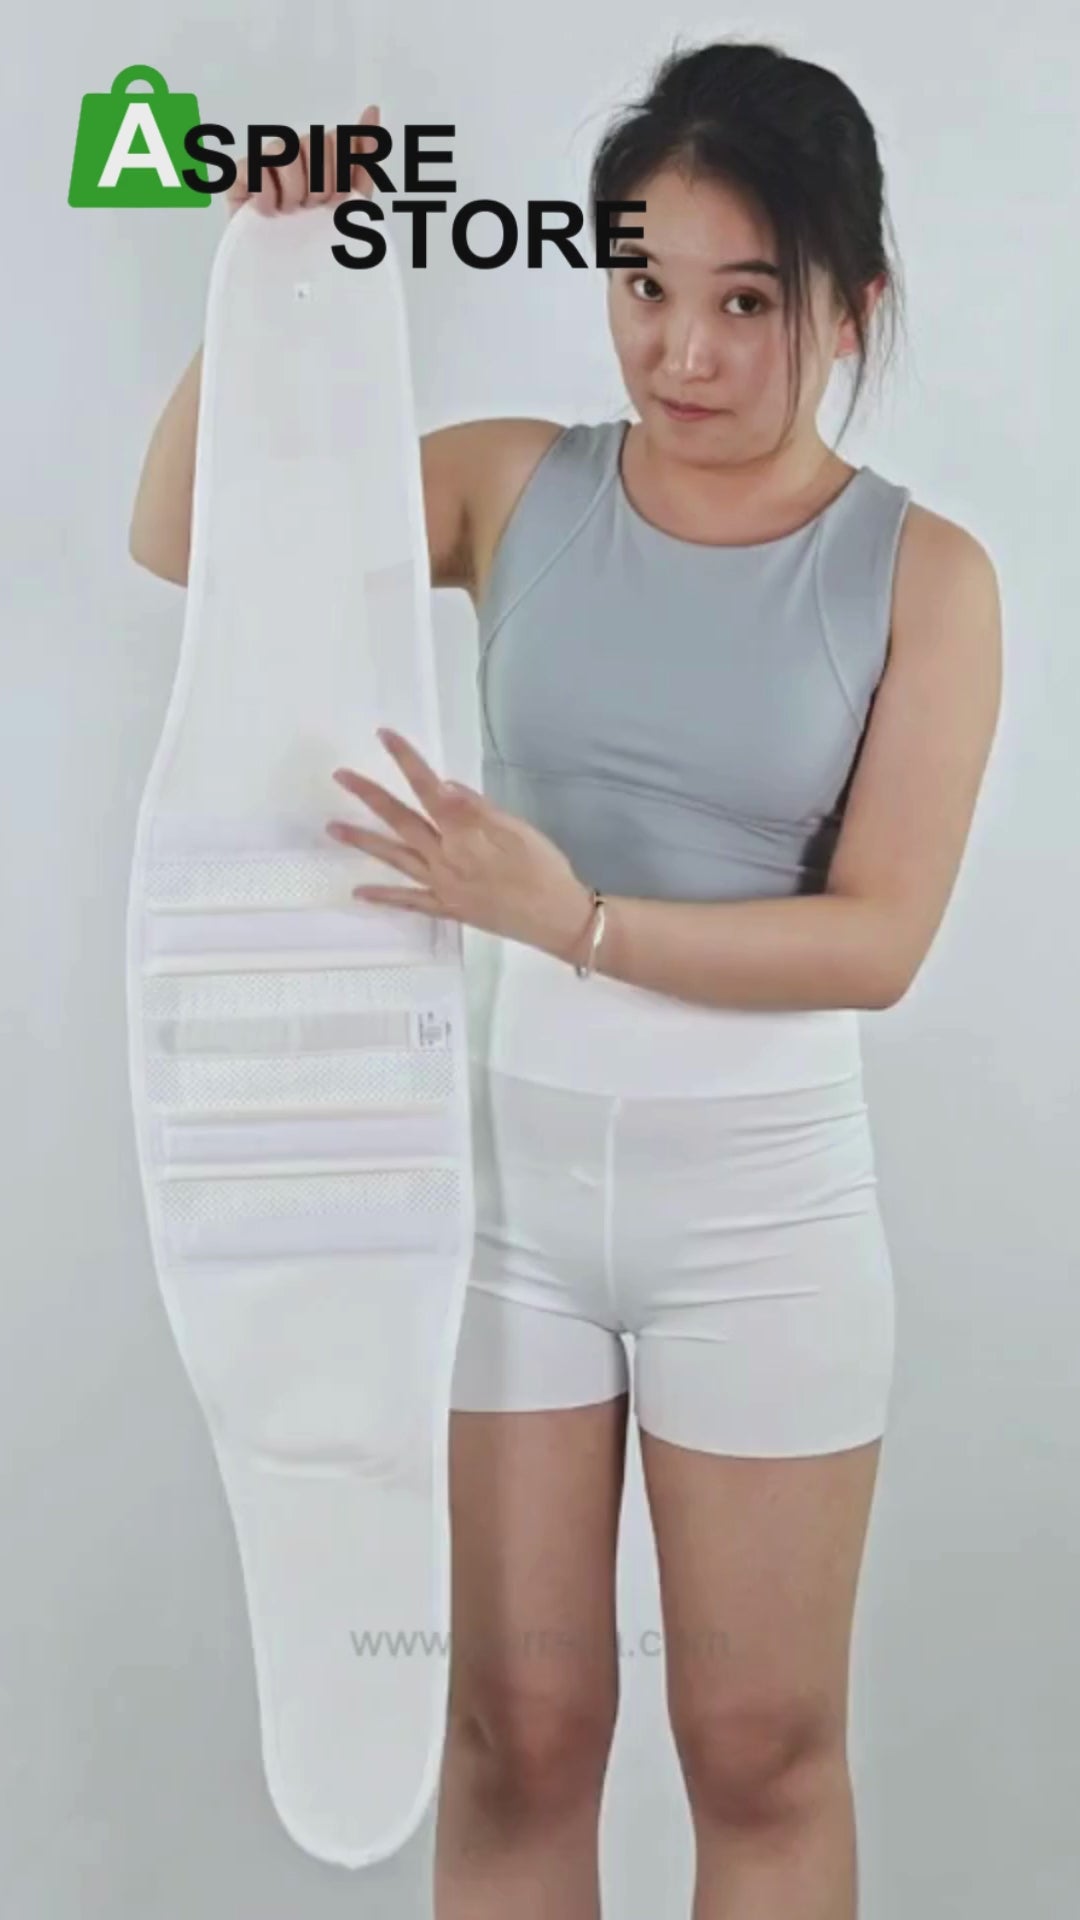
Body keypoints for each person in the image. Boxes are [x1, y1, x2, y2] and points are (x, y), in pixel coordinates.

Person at [128, 38, 1002, 1920]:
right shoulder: (517, 488)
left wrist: (573, 918)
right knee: (514, 1734)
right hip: (499, 1209)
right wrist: (265, 269)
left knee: (760, 1748)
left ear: (853, 305)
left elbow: (879, 936)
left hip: (764, 1217)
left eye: (746, 301)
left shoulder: (924, 576)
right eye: (644, 286)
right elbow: (188, 537)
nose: (682, 352)